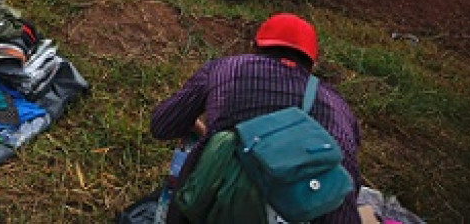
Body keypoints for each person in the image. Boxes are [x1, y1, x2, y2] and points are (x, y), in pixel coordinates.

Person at [149, 13, 361, 223]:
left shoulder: (225, 68)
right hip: (319, 210)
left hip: (224, 207)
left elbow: (162, 125)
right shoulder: (339, 106)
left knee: (197, 144)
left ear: (254, 47)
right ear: (312, 65)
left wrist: (203, 129)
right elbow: (351, 186)